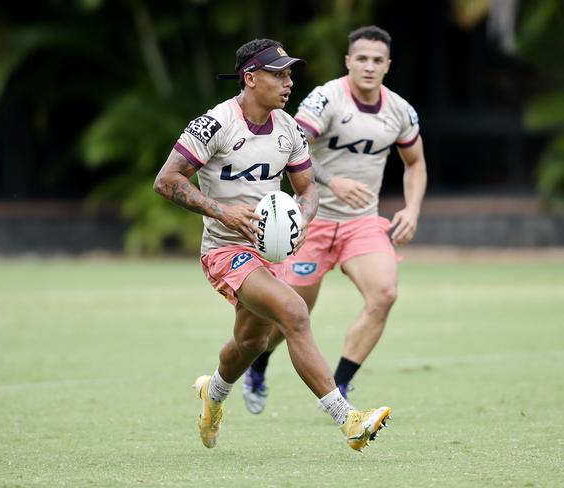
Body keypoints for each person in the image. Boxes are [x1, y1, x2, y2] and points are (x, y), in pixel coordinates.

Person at [154, 38, 391, 451]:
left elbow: (307, 189)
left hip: (270, 252)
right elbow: (166, 180)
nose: (288, 82)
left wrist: (301, 218)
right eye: (278, 74)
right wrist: (221, 212)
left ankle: (213, 396)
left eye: (289, 73)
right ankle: (348, 419)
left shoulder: (289, 129)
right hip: (226, 251)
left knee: (251, 344)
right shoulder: (214, 124)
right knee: (295, 312)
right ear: (250, 78)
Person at [243, 26, 427, 415]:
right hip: (313, 220)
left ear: (388, 65)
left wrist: (411, 209)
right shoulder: (326, 99)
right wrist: (332, 181)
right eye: (361, 58)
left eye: (377, 60)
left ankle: (340, 385)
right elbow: (293, 144)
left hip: (363, 223)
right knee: (291, 315)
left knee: (384, 294)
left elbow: (415, 163)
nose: (369, 66)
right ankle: (257, 367)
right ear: (348, 61)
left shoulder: (400, 111)